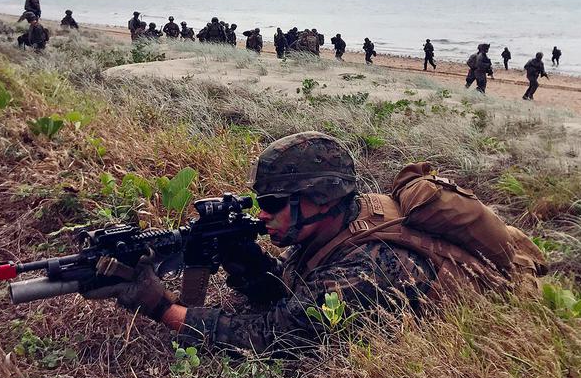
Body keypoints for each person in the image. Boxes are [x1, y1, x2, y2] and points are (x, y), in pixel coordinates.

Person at [80, 132, 543, 354]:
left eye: (274, 203)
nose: (261, 214)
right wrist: (246, 263)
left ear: (321, 199)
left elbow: (277, 338)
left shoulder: (371, 266)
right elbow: (292, 294)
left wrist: (162, 308)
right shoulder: (341, 218)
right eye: (259, 201)